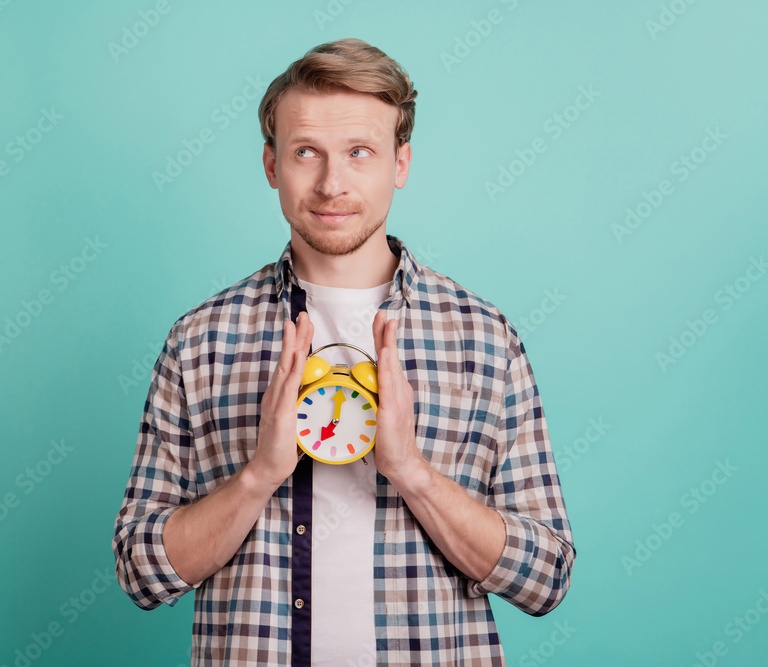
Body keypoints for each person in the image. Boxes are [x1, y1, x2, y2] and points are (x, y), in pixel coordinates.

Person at [112, 38, 576, 666]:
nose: (333, 183)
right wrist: (257, 477)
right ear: (273, 165)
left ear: (399, 163)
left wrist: (414, 473)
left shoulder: (483, 340)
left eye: (360, 152)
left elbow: (545, 578)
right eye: (307, 152)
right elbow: (141, 573)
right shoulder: (201, 341)